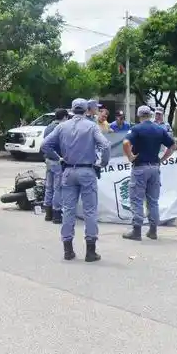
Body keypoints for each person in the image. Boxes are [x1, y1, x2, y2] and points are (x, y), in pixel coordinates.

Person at [41, 98, 111, 262]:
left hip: (68, 170)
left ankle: (68, 250)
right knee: (90, 211)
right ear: (87, 110)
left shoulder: (62, 127)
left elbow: (45, 145)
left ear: (72, 110)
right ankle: (90, 251)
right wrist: (102, 163)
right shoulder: (91, 126)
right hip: (87, 171)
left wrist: (59, 158)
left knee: (68, 210)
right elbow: (106, 146)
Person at [121, 105, 176, 241]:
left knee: (137, 199)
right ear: (151, 115)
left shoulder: (136, 129)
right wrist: (162, 159)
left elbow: (126, 143)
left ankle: (137, 230)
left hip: (140, 167)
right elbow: (173, 145)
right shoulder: (160, 129)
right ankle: (153, 230)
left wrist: (130, 157)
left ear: (139, 115)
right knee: (153, 200)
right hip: (154, 167)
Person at [42, 108, 69, 223]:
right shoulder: (61, 128)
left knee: (49, 187)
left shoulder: (48, 127)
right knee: (58, 188)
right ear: (64, 117)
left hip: (48, 160)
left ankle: (48, 213)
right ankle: (56, 214)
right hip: (58, 160)